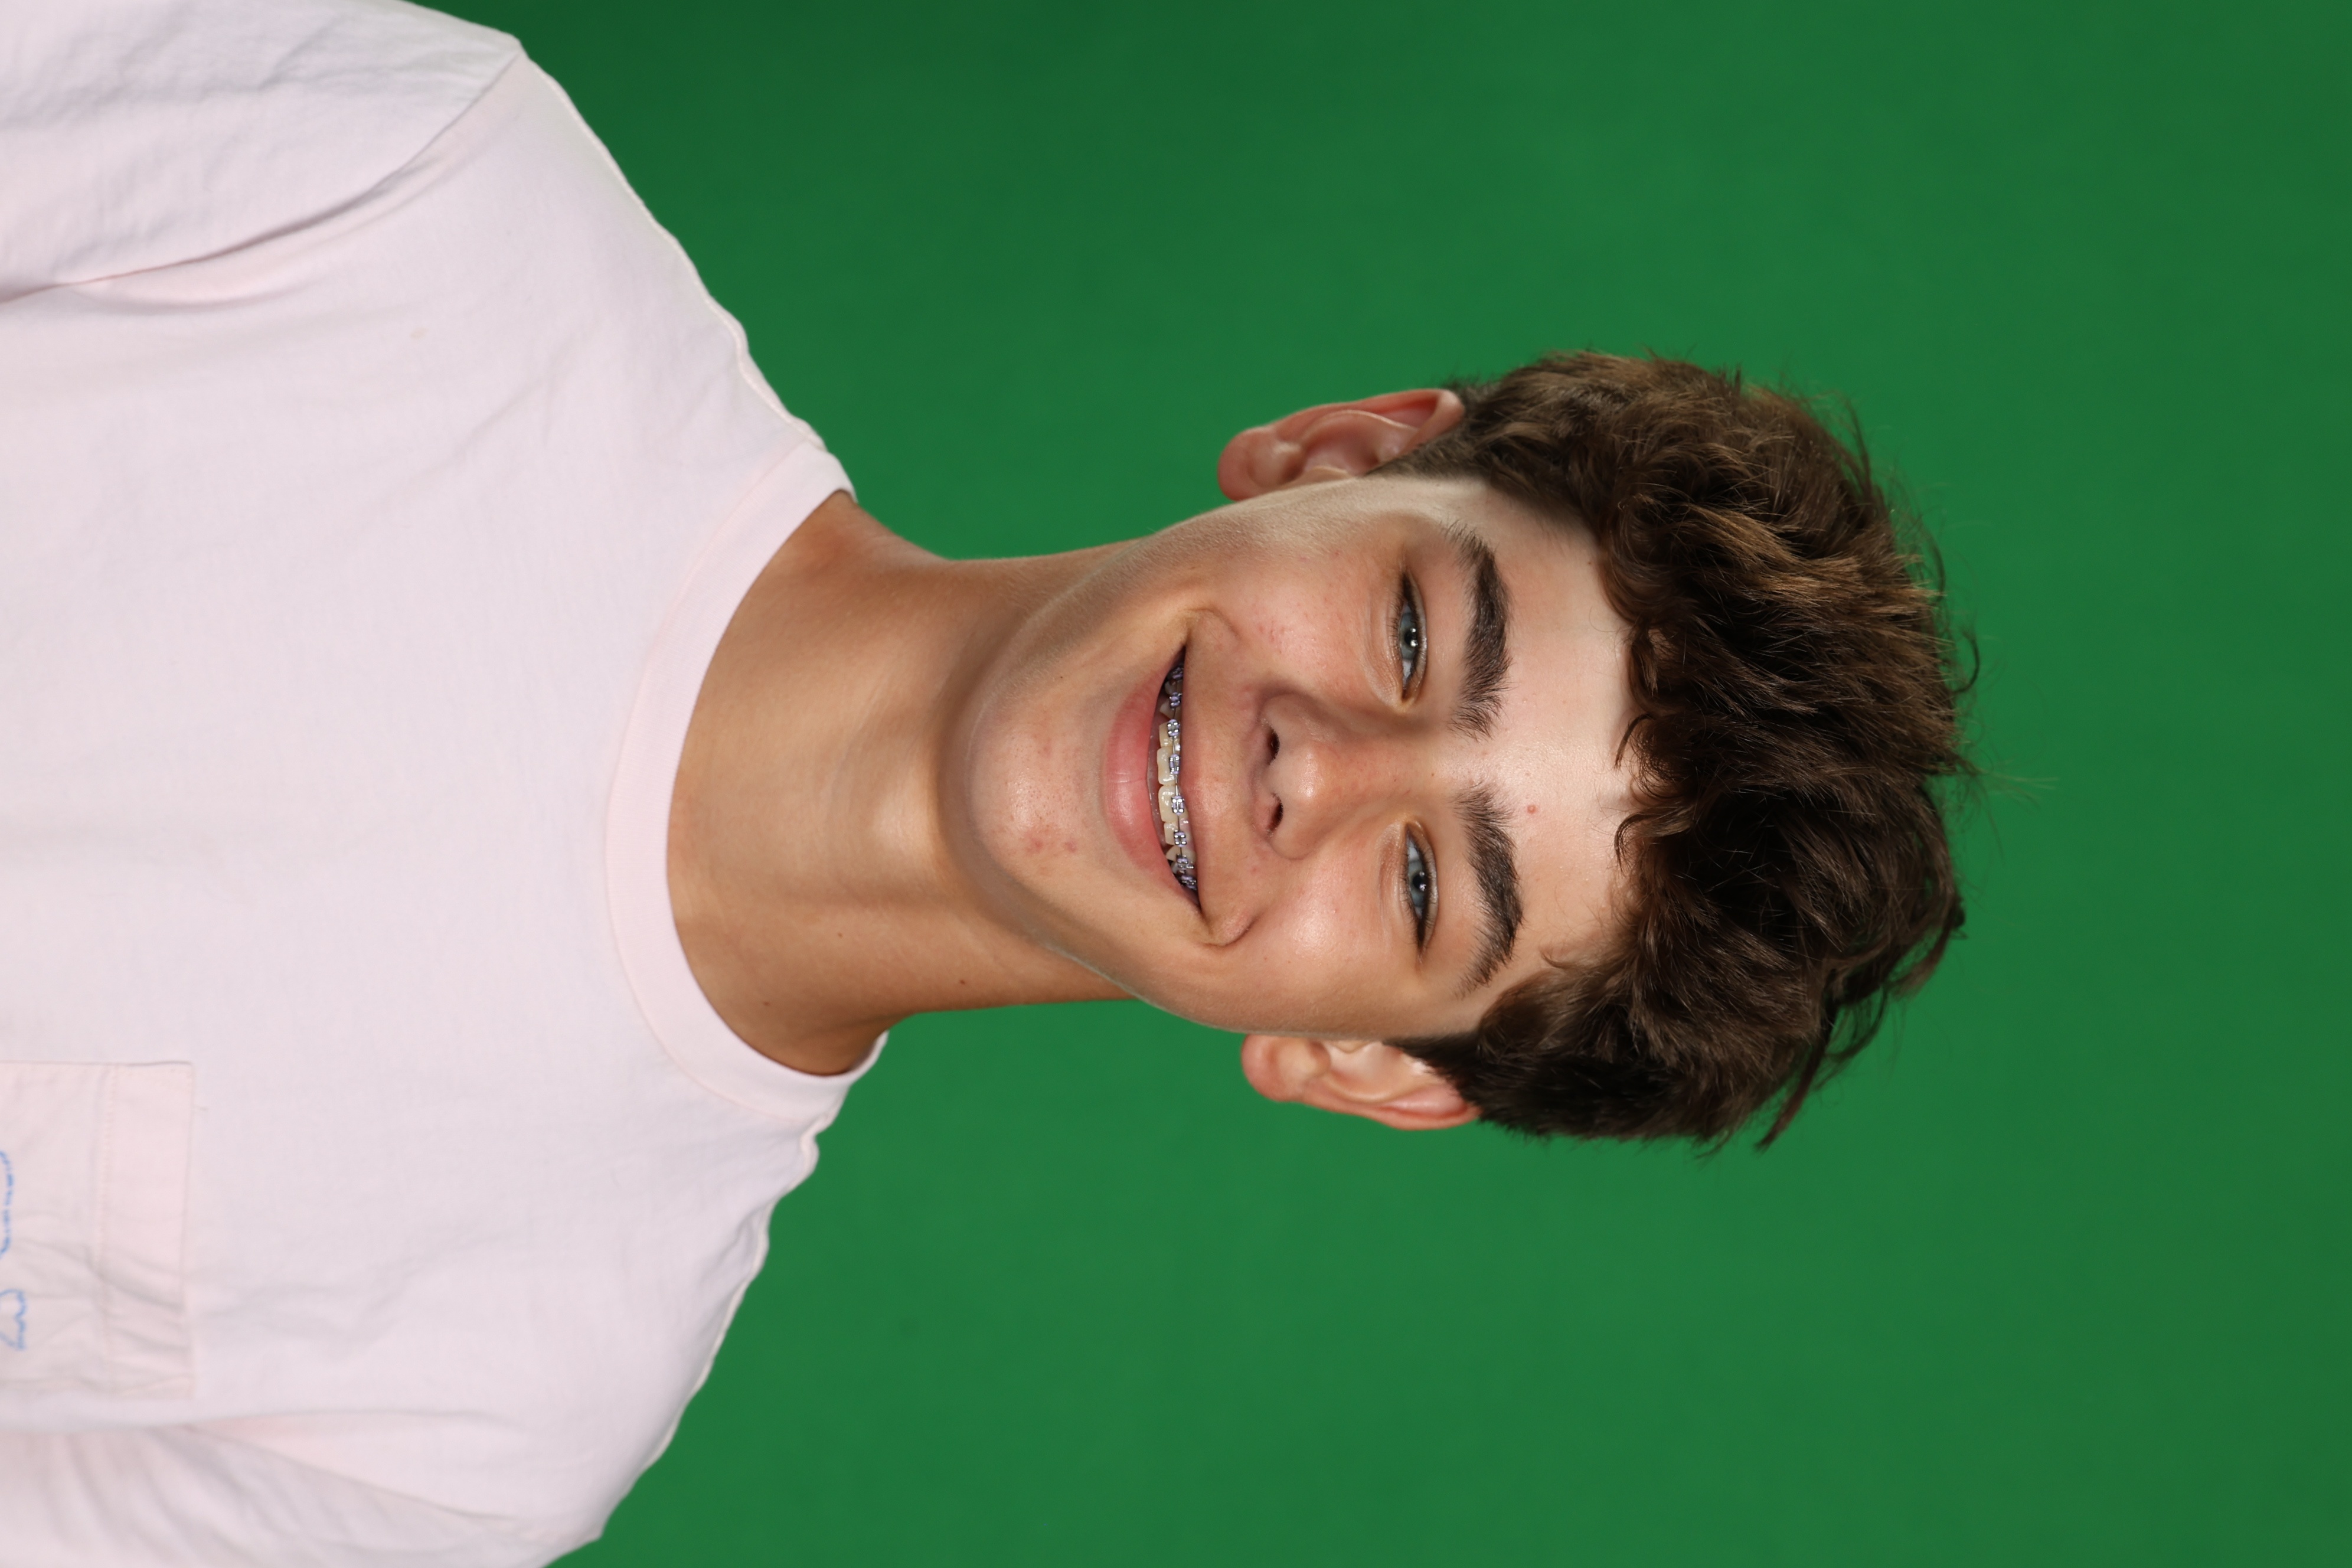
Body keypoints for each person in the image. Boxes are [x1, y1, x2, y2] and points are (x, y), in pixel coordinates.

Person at [0, 0, 1967, 1562]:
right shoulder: (411, 197)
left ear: (1373, 1065)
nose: (1321, 769)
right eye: (1411, 632)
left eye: (1431, 887)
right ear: (1340, 453)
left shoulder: (475, 1430)